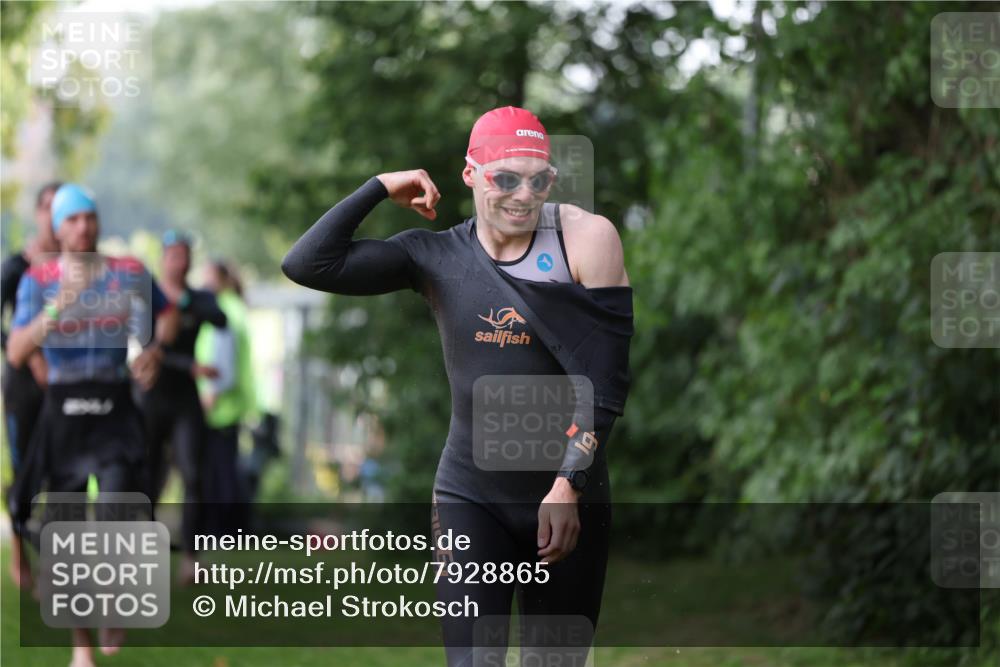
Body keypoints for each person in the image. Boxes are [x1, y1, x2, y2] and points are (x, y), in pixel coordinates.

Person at [282, 106, 633, 666]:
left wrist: (569, 485)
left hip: (570, 497)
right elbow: (308, 263)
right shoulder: (436, 256)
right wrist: (378, 187)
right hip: (471, 497)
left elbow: (607, 383)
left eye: (538, 179)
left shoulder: (585, 241)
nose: (524, 194)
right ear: (471, 174)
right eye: (506, 178)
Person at [6, 183, 179, 667]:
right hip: (63, 408)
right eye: (72, 219)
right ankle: (81, 648)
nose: (83, 227)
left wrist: (155, 351)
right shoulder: (38, 280)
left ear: (98, 222)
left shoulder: (127, 272)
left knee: (118, 511)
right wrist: (59, 305)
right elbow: (17, 351)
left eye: (90, 217)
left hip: (114, 405)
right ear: (57, 228)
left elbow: (165, 315)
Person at [139, 230, 227, 585]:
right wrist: (186, 365)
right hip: (151, 396)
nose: (180, 261)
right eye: (174, 255)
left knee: (193, 474)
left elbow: (219, 317)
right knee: (147, 477)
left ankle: (191, 558)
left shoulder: (197, 299)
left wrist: (182, 305)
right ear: (164, 258)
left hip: (185, 402)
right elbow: (147, 348)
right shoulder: (146, 297)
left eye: (185, 255)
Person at [1, 181, 61, 589]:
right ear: (38, 214)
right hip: (23, 385)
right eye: (48, 208)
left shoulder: (78, 267)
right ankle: (20, 546)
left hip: (65, 387)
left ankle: (50, 567)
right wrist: (30, 353)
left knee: (62, 475)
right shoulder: (15, 268)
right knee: (26, 474)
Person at [195, 260, 254, 537]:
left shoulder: (223, 311)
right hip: (230, 406)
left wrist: (211, 396)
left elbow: (222, 362)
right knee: (225, 470)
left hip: (219, 406)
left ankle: (222, 532)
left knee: (218, 474)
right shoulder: (235, 307)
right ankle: (229, 531)